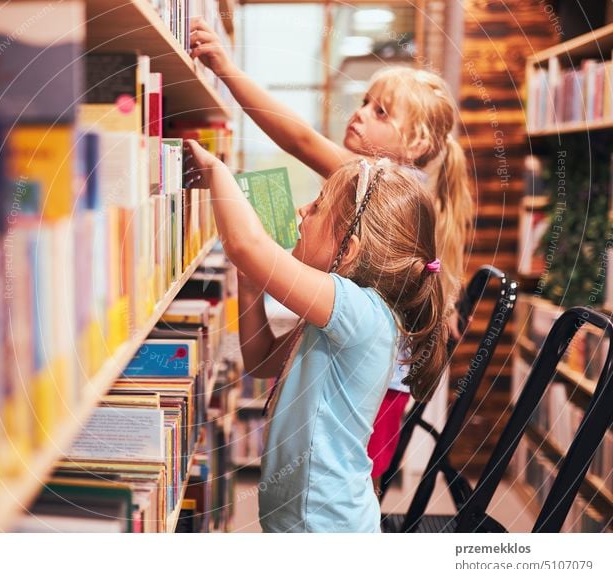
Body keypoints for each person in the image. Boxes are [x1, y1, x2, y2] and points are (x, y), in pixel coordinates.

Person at [189, 17, 473, 485]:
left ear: (416, 143)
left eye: (381, 112)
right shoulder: (398, 192)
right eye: (364, 102)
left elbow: (297, 138)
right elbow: (262, 359)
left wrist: (226, 68)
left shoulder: (380, 186)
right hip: (376, 386)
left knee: (342, 485)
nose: (359, 113)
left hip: (371, 392)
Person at [185, 141, 447, 532]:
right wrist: (249, 283)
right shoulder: (334, 318)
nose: (303, 211)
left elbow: (245, 244)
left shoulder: (362, 313)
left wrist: (218, 171)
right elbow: (259, 360)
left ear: (349, 251)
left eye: (318, 206)